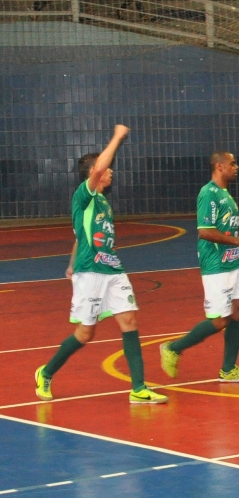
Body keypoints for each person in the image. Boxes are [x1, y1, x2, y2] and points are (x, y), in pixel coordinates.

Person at [34, 125, 167, 405]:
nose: (111, 172)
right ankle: (45, 372)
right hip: (91, 271)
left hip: (112, 269)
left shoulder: (104, 205)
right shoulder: (84, 196)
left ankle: (138, 389)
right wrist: (118, 137)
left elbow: (78, 237)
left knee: (129, 320)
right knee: (85, 333)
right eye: (107, 168)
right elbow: (97, 172)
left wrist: (70, 265)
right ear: (94, 172)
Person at [160, 152, 239, 382]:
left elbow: (226, 228)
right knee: (220, 320)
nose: (237, 167)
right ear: (219, 166)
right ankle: (173, 348)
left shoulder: (225, 194)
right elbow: (204, 231)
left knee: (238, 312)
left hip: (233, 260)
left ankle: (228, 370)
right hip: (216, 264)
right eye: (233, 163)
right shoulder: (208, 193)